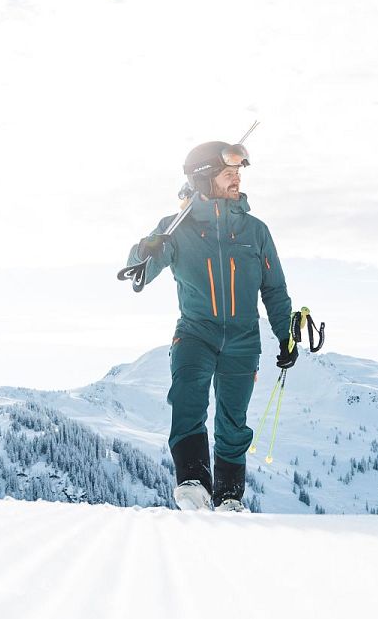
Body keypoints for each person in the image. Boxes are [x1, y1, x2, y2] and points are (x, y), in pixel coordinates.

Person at [127, 139, 297, 512]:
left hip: (243, 340)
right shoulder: (176, 228)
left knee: (233, 422)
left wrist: (285, 336)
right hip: (194, 333)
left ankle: (230, 498)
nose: (236, 179)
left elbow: (275, 290)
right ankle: (192, 481)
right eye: (228, 174)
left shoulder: (255, 231)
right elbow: (139, 272)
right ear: (204, 179)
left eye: (238, 173)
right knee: (188, 397)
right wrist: (147, 249)